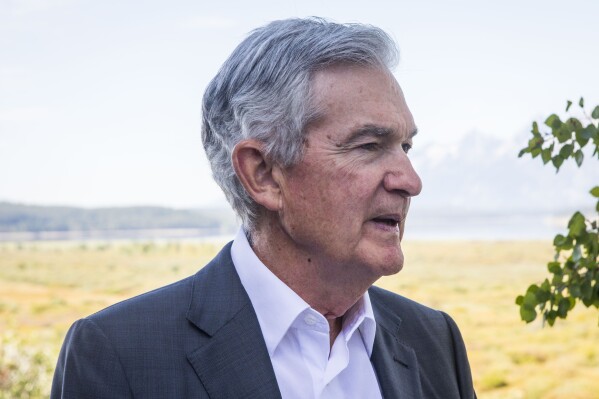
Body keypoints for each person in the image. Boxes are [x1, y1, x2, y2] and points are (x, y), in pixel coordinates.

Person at [51, 18, 475, 398]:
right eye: (368, 146)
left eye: (405, 146)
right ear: (264, 174)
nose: (411, 181)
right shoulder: (121, 354)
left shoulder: (434, 340)